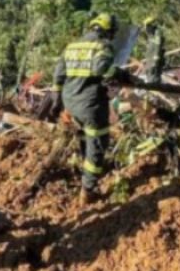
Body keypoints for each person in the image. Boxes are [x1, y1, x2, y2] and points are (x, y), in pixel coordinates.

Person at [50, 13, 130, 205]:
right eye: (111, 33)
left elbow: (58, 77)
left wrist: (56, 102)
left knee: (85, 139)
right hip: (90, 105)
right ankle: (88, 190)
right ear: (107, 31)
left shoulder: (72, 47)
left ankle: (85, 171)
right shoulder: (102, 46)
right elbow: (101, 68)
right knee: (98, 142)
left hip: (70, 103)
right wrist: (120, 74)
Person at [142, 17, 164, 85]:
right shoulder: (151, 35)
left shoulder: (157, 33)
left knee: (154, 76)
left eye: (147, 26)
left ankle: (155, 86)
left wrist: (156, 58)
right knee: (149, 75)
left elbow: (158, 45)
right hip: (150, 59)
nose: (146, 29)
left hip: (154, 60)